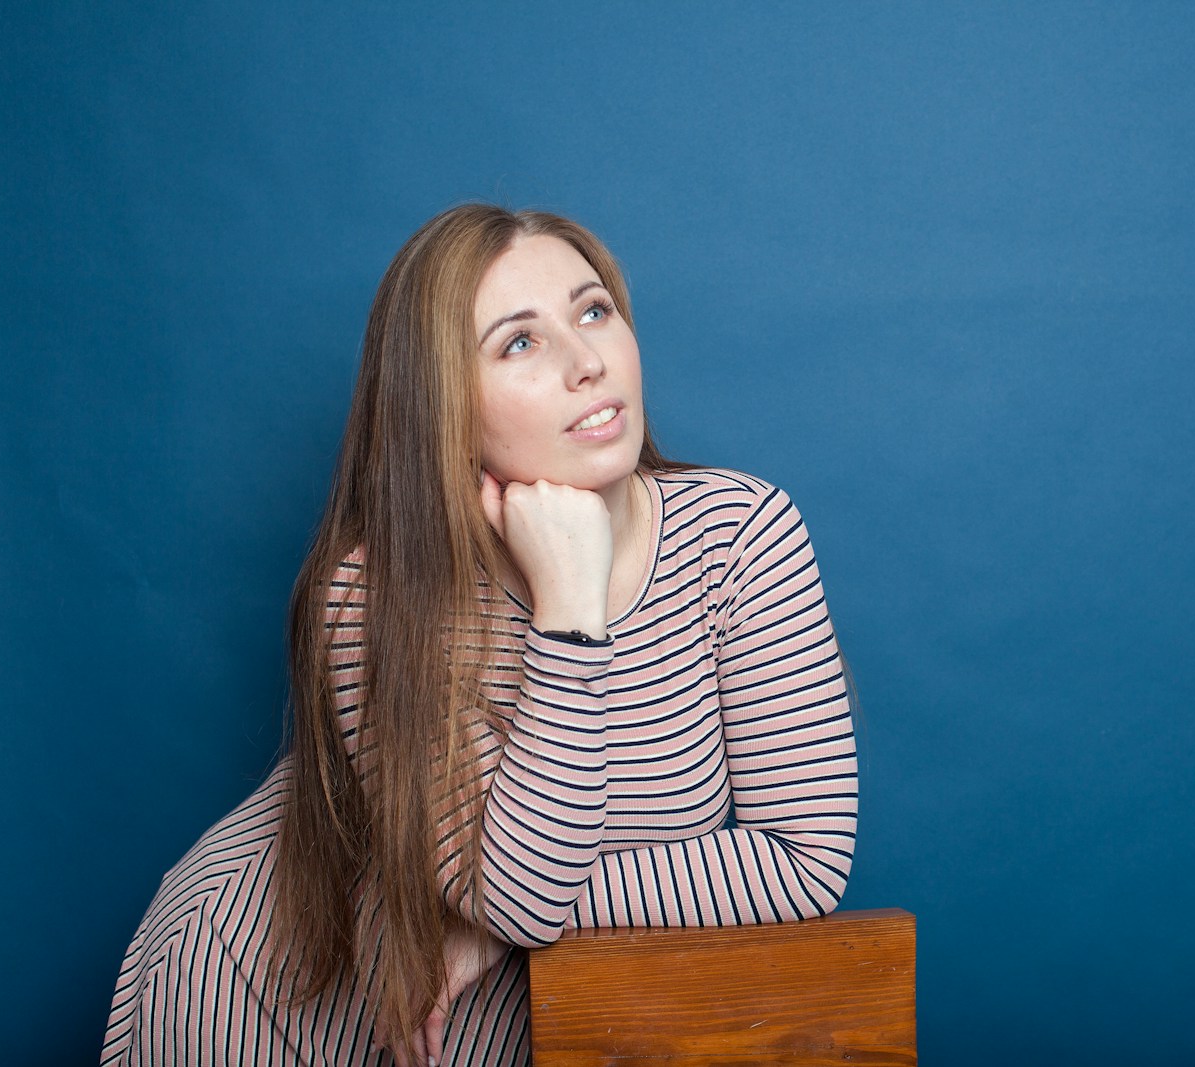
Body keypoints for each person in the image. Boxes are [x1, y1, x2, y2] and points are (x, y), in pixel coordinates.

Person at [101, 204, 859, 1066]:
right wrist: (567, 610)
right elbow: (520, 898)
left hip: (517, 1022)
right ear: (445, 410)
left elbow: (803, 861)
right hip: (274, 990)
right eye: (520, 342)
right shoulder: (372, 593)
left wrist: (495, 928)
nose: (586, 361)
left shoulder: (739, 536)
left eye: (593, 311)